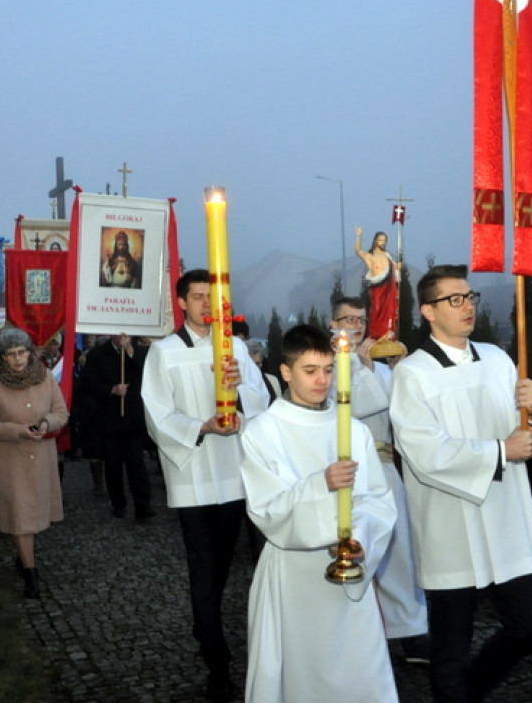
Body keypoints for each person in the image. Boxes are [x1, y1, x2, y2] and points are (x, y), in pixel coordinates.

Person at [389, 264, 532, 703]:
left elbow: (529, 424)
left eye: (470, 297)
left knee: (529, 627)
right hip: (451, 527)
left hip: (504, 518)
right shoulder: (412, 373)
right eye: (454, 299)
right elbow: (424, 453)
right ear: (428, 310)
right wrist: (501, 452)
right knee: (450, 651)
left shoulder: (499, 358)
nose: (467, 307)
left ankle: (472, 690)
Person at [240, 324, 398, 701]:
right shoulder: (262, 432)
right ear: (286, 372)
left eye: (328, 370)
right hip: (293, 577)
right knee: (299, 676)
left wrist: (359, 538)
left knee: (358, 673)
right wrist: (320, 484)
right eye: (310, 371)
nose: (322, 380)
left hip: (349, 582)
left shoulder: (354, 431)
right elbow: (266, 509)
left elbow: (378, 500)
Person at [141, 269, 269, 702]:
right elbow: (157, 414)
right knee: (203, 570)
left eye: (211, 298)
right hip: (193, 474)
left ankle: (207, 626)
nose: (206, 305)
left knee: (222, 567)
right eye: (197, 297)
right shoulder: (163, 352)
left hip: (232, 476)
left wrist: (240, 391)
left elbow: (261, 400)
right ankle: (217, 661)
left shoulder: (232, 346)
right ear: (181, 302)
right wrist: (203, 425)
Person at [329, 296, 430, 664]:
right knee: (354, 549)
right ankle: (356, 637)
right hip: (344, 473)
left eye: (359, 319)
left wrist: (393, 370)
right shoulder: (325, 366)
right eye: (345, 319)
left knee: (399, 552)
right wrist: (360, 368)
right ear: (332, 324)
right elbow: (349, 408)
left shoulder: (382, 367)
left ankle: (410, 632)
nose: (353, 326)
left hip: (384, 467)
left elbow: (399, 410)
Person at [0, 328, 69, 599]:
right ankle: (31, 574)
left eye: (21, 352)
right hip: (9, 459)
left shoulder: (45, 377)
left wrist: (45, 423)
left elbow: (61, 412)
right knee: (20, 516)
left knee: (34, 514)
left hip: (41, 457)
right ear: (2, 357)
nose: (17, 359)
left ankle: (23, 554)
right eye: (11, 354)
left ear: (30, 352)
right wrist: (17, 430)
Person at [81, 333, 155, 520]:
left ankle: (143, 506)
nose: (122, 336)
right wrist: (111, 390)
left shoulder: (142, 351)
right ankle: (118, 504)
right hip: (109, 419)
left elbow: (149, 376)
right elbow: (88, 385)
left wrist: (130, 351)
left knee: (136, 463)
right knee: (113, 464)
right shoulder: (97, 354)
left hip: (134, 419)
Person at [355, 226, 399, 343]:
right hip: (377, 289)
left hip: (389, 289)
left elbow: (395, 268)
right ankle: (375, 337)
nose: (383, 242)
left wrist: (398, 266)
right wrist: (359, 236)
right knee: (376, 311)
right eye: (380, 240)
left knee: (390, 312)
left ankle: (388, 337)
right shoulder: (370, 256)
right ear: (375, 241)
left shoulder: (387, 256)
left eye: (384, 240)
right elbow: (358, 251)